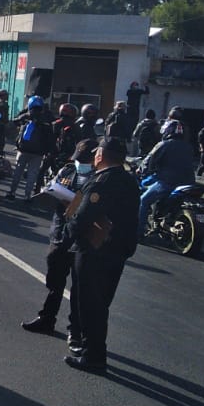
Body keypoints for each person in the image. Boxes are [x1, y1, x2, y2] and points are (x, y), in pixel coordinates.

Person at [64, 137, 139, 372]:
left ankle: (93, 356)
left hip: (95, 251)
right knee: (101, 303)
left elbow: (84, 215)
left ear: (101, 155)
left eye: (97, 152)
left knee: (91, 304)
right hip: (117, 250)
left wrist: (68, 230)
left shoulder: (103, 181)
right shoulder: (128, 180)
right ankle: (93, 351)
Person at [21, 138, 99, 340]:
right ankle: (47, 318)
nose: (80, 163)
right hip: (60, 235)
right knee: (55, 282)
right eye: (78, 159)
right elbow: (52, 189)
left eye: (85, 159)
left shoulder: (100, 178)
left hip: (82, 239)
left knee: (80, 287)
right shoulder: (67, 171)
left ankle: (75, 330)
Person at [138, 120, 195, 237]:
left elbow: (149, 161)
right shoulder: (188, 147)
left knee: (143, 201)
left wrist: (142, 171)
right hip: (188, 183)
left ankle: (137, 233)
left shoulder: (164, 144)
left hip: (168, 182)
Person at [8, 95, 55, 202]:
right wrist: (49, 151)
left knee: (18, 172)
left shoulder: (26, 116)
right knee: (32, 174)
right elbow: (50, 136)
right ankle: (27, 196)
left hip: (23, 150)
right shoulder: (46, 118)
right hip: (38, 152)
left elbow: (13, 123)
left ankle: (12, 192)